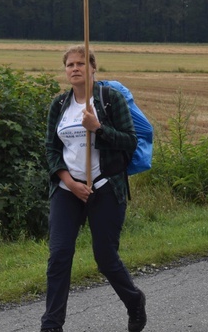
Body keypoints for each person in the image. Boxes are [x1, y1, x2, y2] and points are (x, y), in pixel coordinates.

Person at [41, 45, 147, 332]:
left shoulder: (109, 99)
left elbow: (130, 141)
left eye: (80, 63)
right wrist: (69, 182)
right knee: (59, 255)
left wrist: (97, 127)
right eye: (70, 64)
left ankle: (135, 301)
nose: (74, 68)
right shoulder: (59, 105)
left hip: (105, 187)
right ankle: (51, 325)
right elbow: (51, 149)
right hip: (68, 190)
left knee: (105, 257)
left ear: (92, 68)